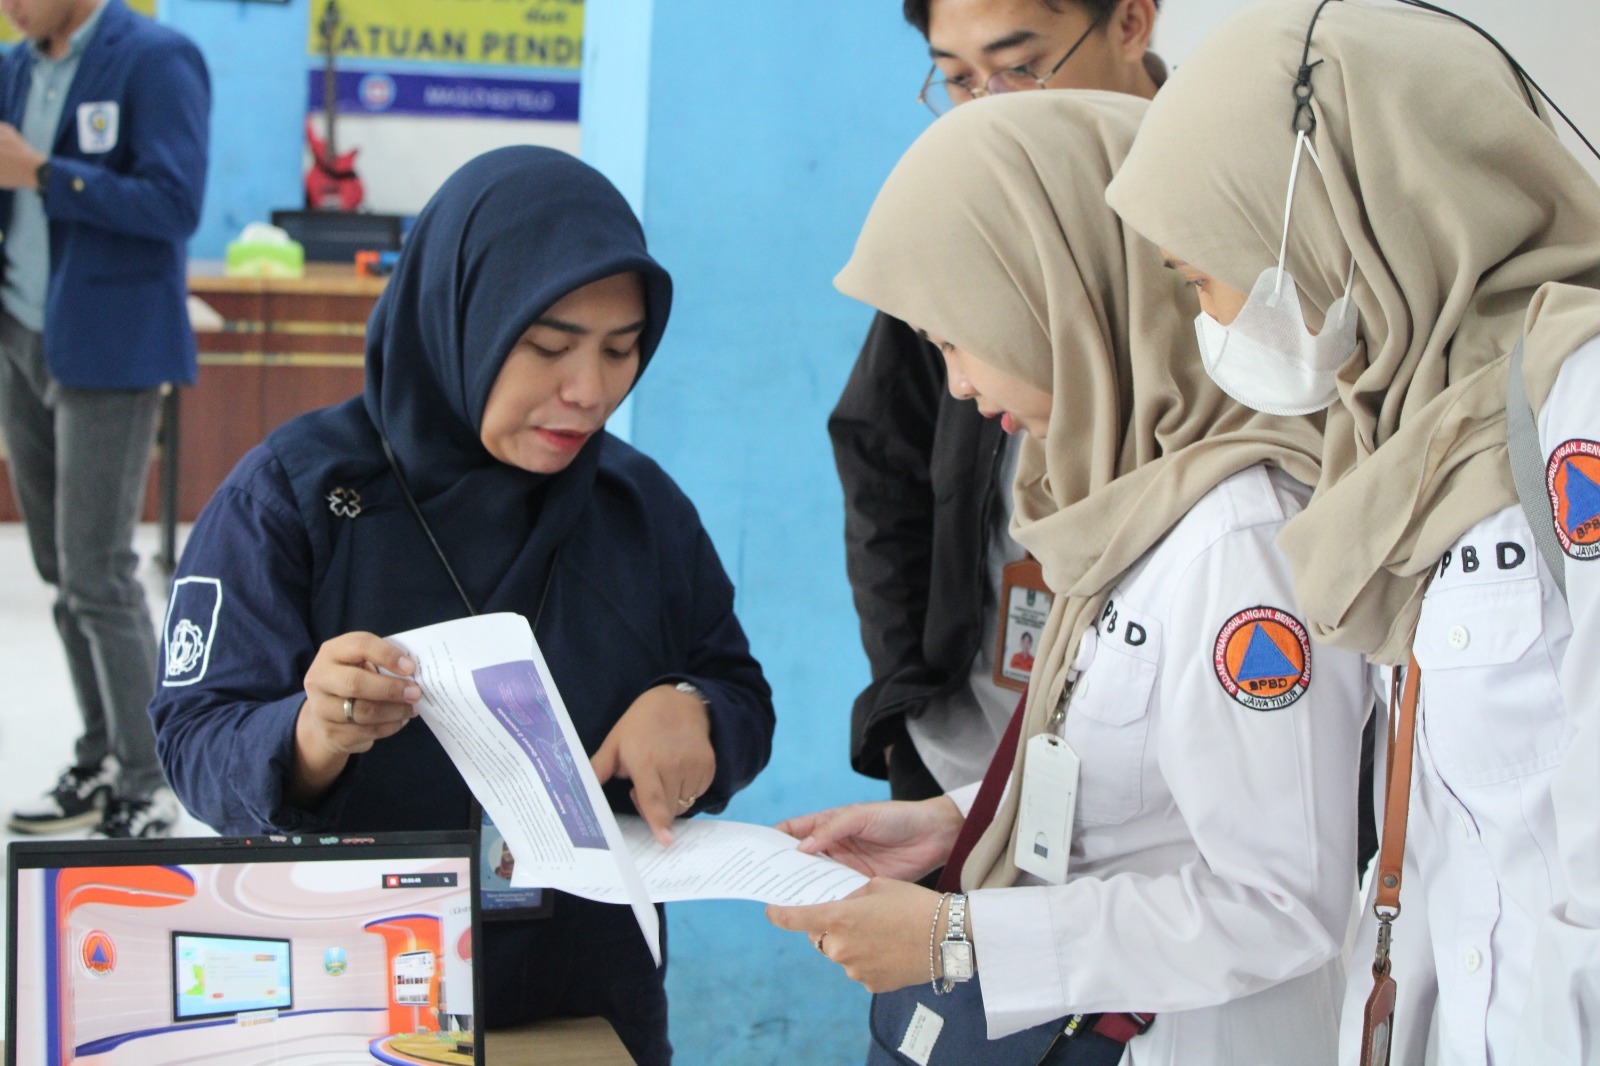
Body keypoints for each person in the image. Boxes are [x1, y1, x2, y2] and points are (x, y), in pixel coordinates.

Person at [771, 91, 1367, 1064]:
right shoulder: (1111, 501)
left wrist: (956, 939)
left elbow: (1282, 901)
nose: (956, 384)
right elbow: (1129, 785)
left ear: (1064, 296)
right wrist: (950, 822)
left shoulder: (1235, 538)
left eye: (960, 336)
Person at [148, 147, 775, 1065]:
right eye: (549, 346)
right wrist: (311, 738)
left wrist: (696, 712)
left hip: (586, 1000)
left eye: (621, 348)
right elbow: (194, 734)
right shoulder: (294, 497)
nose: (589, 390)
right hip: (351, 999)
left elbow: (738, 690)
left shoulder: (639, 512)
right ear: (462, 317)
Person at [1103, 2, 1600, 1061]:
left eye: (1204, 274)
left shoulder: (1579, 404)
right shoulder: (1400, 448)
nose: (1210, 322)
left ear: (1336, 218)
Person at [831, 0, 1162, 803]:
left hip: (1158, 775)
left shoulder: (1218, 211)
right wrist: (911, 685)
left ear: (1130, 22)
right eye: (955, 79)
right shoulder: (968, 200)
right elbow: (883, 457)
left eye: (1019, 66)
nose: (986, 105)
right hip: (972, 749)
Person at [0, 0, 207, 838]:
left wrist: (47, 173)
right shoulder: (16, 65)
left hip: (109, 348)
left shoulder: (154, 58)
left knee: (98, 569)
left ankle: (149, 780)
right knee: (58, 568)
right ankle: (98, 756)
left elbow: (173, 204)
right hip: (21, 335)